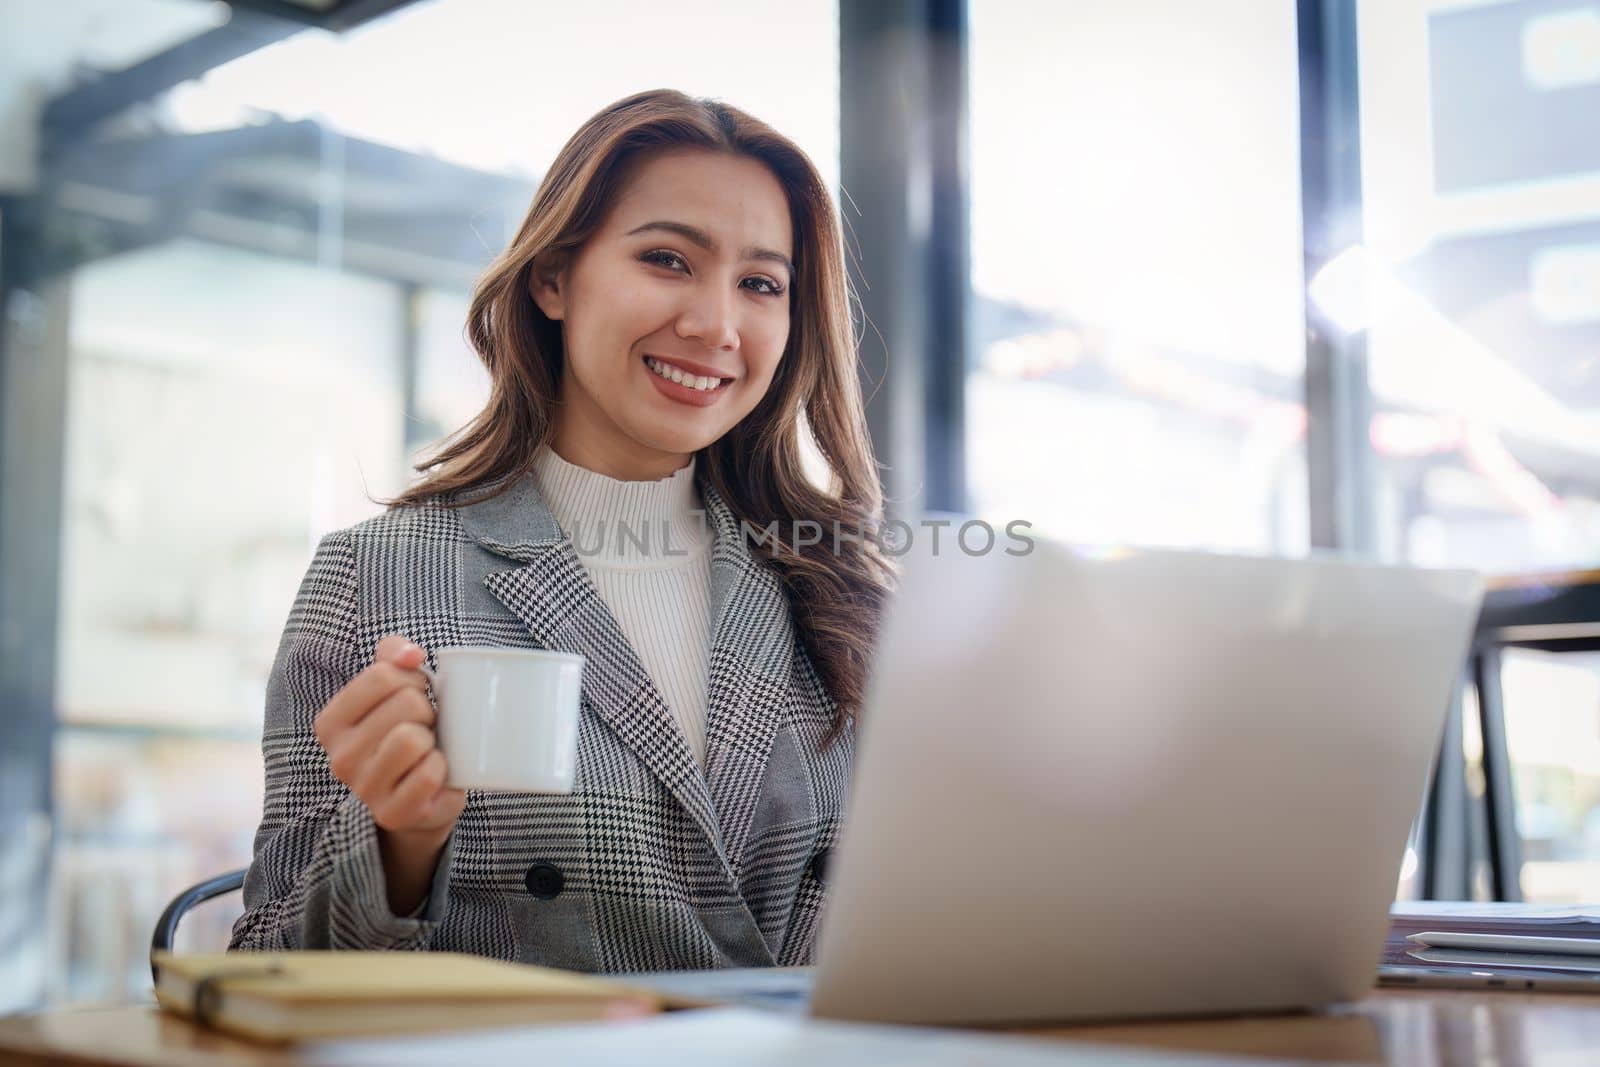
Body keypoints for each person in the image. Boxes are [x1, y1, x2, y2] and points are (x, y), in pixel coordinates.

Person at [229, 89, 895, 972]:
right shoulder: (377, 576)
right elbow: (260, 964)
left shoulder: (834, 590)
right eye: (667, 259)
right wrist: (399, 845)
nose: (715, 325)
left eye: (761, 284)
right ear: (553, 278)